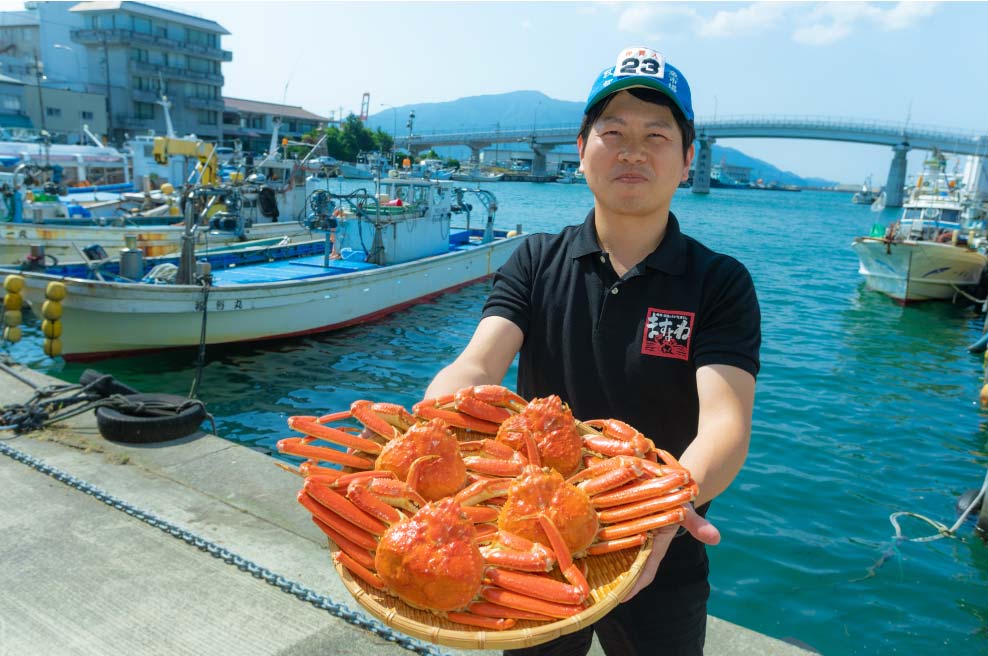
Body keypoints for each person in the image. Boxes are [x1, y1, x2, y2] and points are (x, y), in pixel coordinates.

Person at [424, 45, 760, 655]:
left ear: (688, 159)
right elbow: (478, 363)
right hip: (529, 535)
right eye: (613, 132)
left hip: (659, 538)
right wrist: (433, 422)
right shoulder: (534, 259)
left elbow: (726, 423)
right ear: (581, 150)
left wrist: (670, 503)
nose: (633, 150)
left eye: (656, 135)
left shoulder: (719, 282)